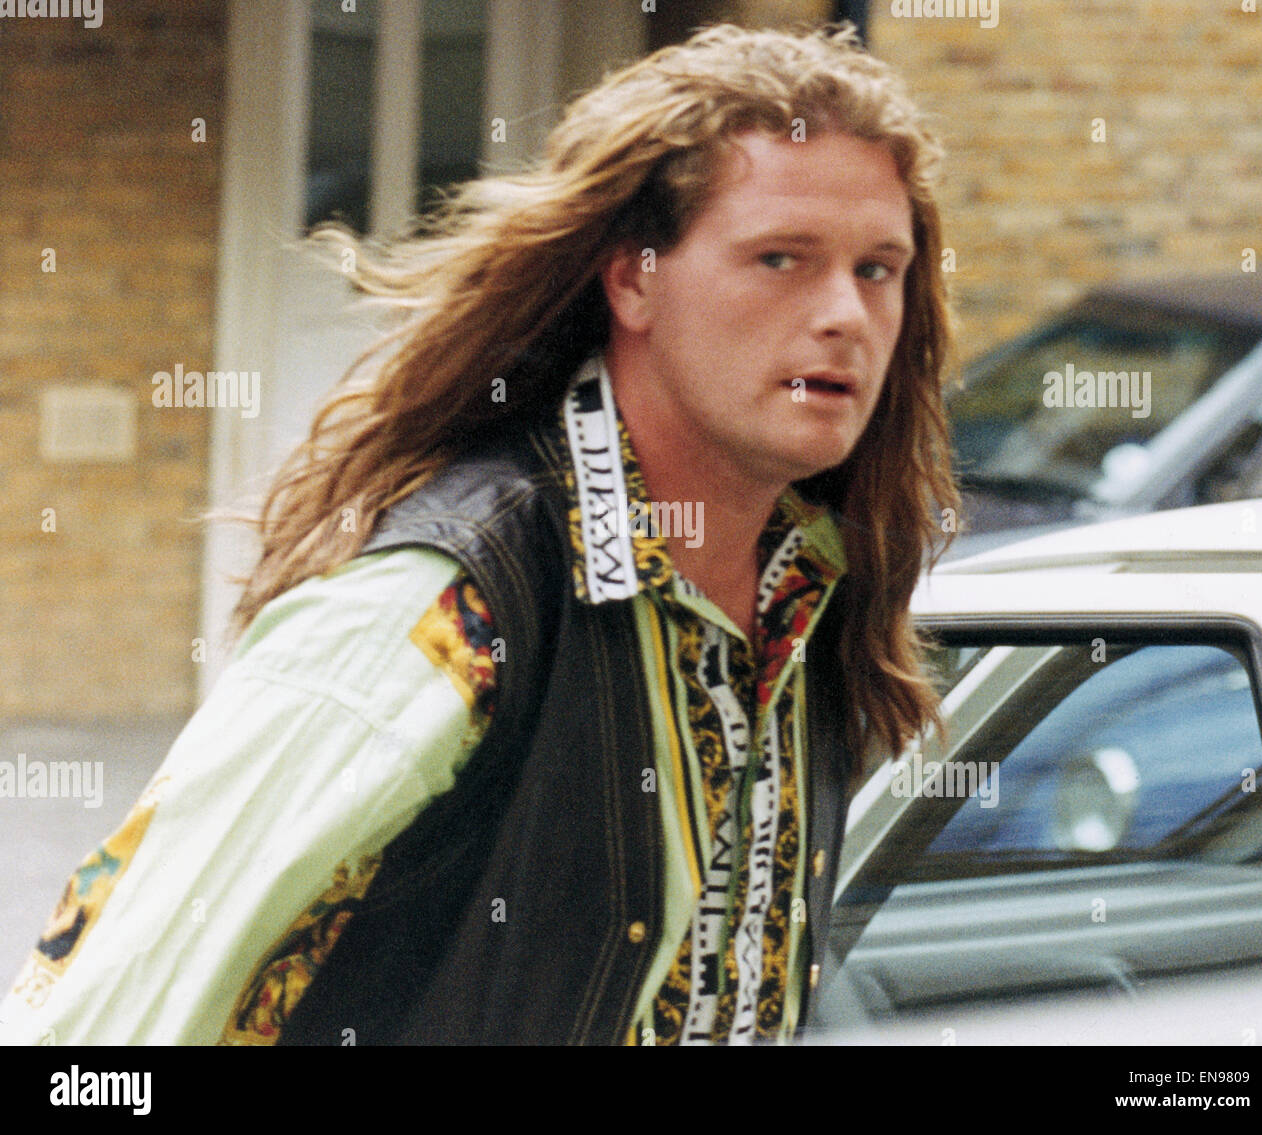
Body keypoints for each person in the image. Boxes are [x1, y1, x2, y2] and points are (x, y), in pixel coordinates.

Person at [2, 22, 957, 1046]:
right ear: (632, 278)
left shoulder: (814, 601)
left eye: (876, 269)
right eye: (781, 258)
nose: (844, 315)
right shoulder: (445, 607)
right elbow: (101, 1020)